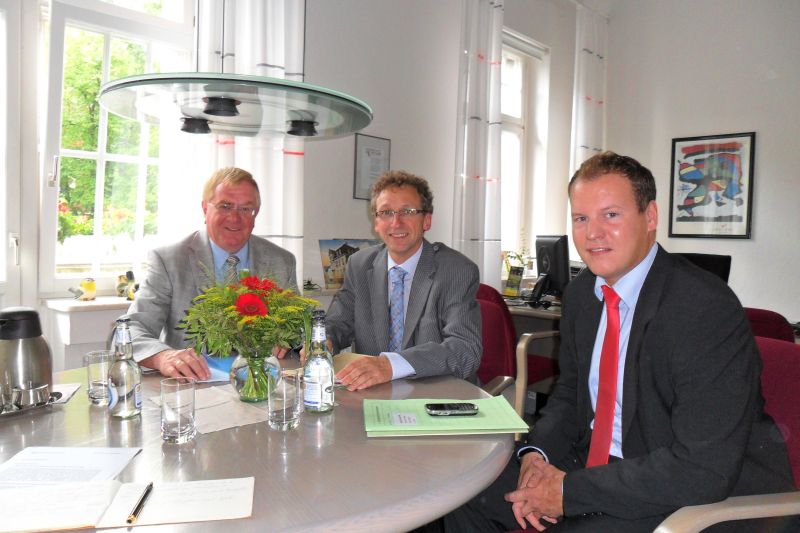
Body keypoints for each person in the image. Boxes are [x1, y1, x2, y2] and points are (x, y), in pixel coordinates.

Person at [439, 152, 795, 532]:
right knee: (465, 494)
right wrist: (536, 455)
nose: (592, 233)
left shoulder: (703, 308)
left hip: (682, 489)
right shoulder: (581, 296)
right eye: (581, 218)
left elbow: (703, 468)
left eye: (611, 215)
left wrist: (568, 492)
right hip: (598, 463)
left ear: (650, 217)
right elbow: (569, 396)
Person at [125, 167, 297, 380]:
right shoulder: (169, 260)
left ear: (256, 214)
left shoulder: (281, 261)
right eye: (225, 206)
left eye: (246, 209)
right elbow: (131, 329)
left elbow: (298, 327)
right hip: (193, 390)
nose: (235, 218)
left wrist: (293, 340)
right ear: (205, 209)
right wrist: (164, 357)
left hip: (263, 387)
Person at [326, 170, 482, 391]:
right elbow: (338, 322)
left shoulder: (455, 270)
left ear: (426, 220)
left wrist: (389, 365)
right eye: (386, 212)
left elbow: (465, 350)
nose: (396, 222)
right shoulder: (360, 265)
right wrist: (323, 341)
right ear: (376, 223)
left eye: (407, 211)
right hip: (374, 394)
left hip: (436, 394)